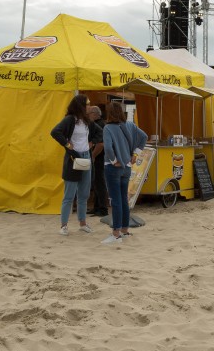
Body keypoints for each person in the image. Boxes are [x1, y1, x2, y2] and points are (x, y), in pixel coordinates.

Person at [51, 94, 102, 236]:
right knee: (69, 194)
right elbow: (55, 132)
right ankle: (64, 225)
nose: (89, 106)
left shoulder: (87, 121)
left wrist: (91, 143)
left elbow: (100, 132)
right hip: (74, 158)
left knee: (84, 194)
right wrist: (67, 144)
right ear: (80, 105)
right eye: (87, 104)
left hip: (86, 157)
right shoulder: (70, 120)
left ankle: (82, 223)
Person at [100, 101, 148, 245]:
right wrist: (135, 154)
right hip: (127, 167)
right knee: (123, 200)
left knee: (115, 201)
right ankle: (125, 231)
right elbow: (144, 137)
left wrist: (114, 160)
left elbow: (108, 148)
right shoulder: (131, 125)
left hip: (113, 167)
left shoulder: (108, 128)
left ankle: (116, 234)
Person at [87, 104, 109, 218]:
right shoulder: (99, 124)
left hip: (100, 159)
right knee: (96, 183)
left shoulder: (99, 125)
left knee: (100, 183)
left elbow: (101, 144)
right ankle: (96, 208)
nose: (88, 116)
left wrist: (93, 156)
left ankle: (103, 209)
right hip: (100, 158)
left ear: (95, 114)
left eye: (89, 113)